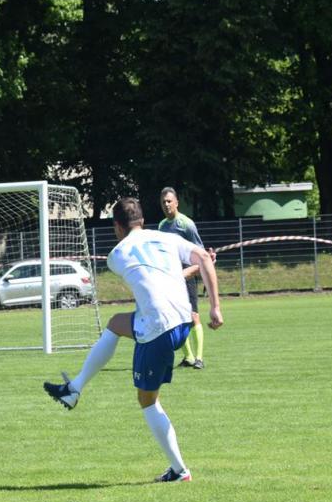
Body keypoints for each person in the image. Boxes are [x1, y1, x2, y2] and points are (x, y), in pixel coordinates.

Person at [42, 196, 222, 482]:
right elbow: (195, 261)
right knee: (116, 323)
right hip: (184, 320)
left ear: (117, 226)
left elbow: (148, 277)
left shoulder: (116, 256)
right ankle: (74, 388)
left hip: (158, 327)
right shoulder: (166, 238)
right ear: (143, 220)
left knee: (147, 400)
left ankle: (180, 471)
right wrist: (214, 307)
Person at [156, 186, 209, 369]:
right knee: (177, 317)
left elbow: (200, 251)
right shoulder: (162, 226)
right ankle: (188, 357)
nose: (166, 204)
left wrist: (197, 269)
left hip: (188, 273)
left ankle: (199, 358)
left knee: (193, 315)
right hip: (171, 276)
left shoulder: (187, 224)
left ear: (176, 203)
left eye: (169, 201)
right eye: (163, 202)